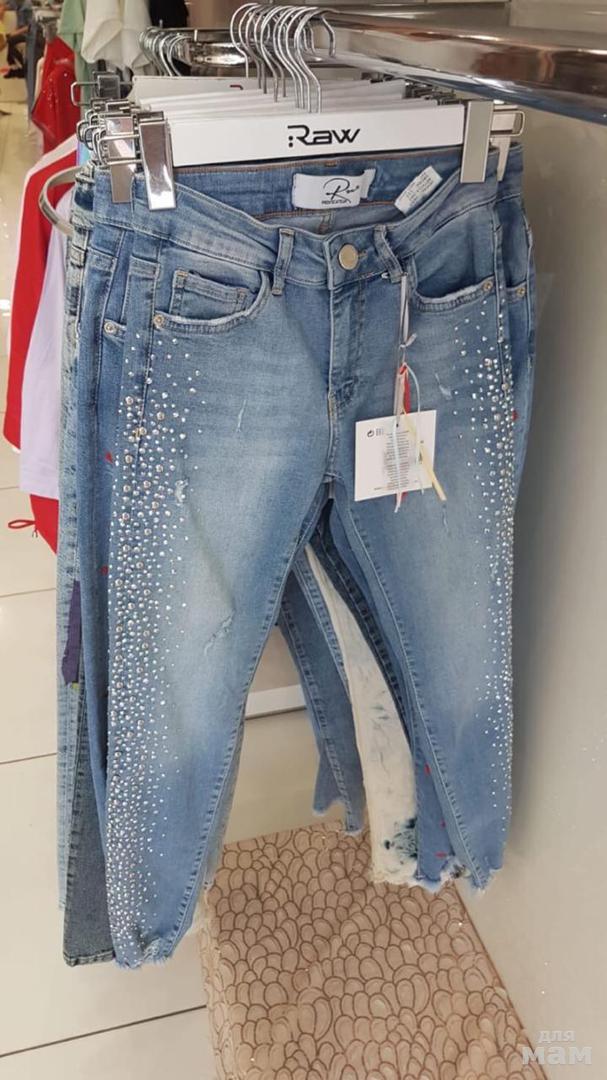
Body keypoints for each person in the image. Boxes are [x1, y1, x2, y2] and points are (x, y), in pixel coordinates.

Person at [1, 0, 33, 79]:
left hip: (28, 34)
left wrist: (14, 33)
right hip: (20, 33)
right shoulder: (17, 4)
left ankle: (21, 67)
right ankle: (17, 68)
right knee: (8, 42)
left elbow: (30, 27)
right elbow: (6, 5)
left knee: (9, 41)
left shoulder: (27, 6)